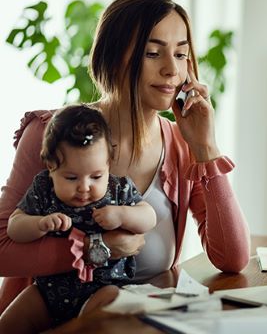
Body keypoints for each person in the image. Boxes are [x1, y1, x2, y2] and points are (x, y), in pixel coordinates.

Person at [0, 0, 250, 330]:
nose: (171, 69)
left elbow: (233, 259)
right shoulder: (51, 132)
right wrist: (94, 249)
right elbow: (3, 248)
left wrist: (206, 148)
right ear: (115, 56)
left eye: (181, 54)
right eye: (152, 53)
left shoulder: (180, 144)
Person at [0, 104, 157, 332]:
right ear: (50, 167)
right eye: (71, 177)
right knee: (8, 324)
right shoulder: (44, 188)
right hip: (47, 292)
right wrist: (38, 224)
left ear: (108, 165)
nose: (84, 187)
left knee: (104, 312)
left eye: (96, 176)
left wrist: (122, 214)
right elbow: (15, 227)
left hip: (103, 287)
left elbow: (149, 217)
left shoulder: (117, 190)